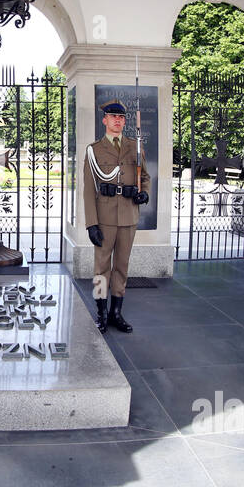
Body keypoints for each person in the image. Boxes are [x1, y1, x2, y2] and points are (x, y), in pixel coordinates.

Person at [82, 100, 150, 333]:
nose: (117, 120)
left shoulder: (135, 146)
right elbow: (88, 189)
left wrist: (145, 194)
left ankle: (115, 313)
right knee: (101, 268)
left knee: (121, 266)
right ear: (105, 120)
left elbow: (146, 178)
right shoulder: (94, 150)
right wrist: (91, 223)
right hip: (105, 217)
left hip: (128, 216)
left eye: (121, 118)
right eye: (113, 117)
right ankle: (100, 312)